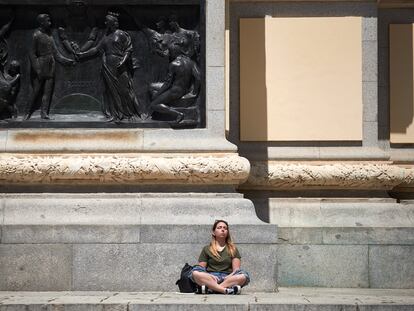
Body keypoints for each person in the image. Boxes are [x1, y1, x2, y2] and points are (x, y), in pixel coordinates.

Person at [77, 12, 142, 122]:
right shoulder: (106, 37)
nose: (105, 22)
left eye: (107, 20)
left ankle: (130, 114)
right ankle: (115, 115)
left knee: (124, 89)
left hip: (119, 64)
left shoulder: (122, 34)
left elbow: (128, 49)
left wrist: (123, 61)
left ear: (113, 22)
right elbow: (96, 49)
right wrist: (82, 54)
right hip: (108, 66)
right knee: (111, 91)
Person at [25, 13, 76, 120]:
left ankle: (44, 113)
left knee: (48, 91)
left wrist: (67, 61)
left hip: (51, 65)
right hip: (40, 64)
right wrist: (37, 69)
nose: (50, 22)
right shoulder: (36, 35)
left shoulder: (50, 36)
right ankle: (27, 113)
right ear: (41, 22)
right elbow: (32, 53)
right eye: (48, 20)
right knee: (36, 91)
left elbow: (56, 53)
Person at [189, 220, 250, 295]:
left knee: (243, 276)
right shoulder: (207, 249)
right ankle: (225, 290)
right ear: (213, 232)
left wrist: (227, 277)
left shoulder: (233, 249)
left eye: (225, 228)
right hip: (211, 278)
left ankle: (211, 289)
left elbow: (236, 270)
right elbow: (201, 268)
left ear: (227, 232)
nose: (223, 229)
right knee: (195, 272)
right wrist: (209, 275)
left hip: (227, 278)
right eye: (219, 227)